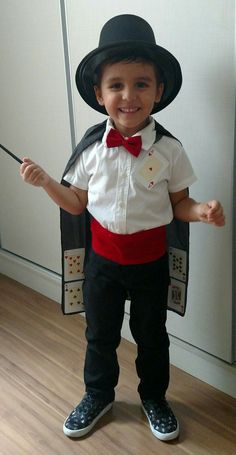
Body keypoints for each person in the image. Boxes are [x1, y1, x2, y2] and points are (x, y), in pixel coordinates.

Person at [20, 14, 225, 442]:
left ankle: (155, 398)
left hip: (151, 263)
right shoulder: (92, 150)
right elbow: (76, 203)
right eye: (116, 85)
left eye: (141, 84)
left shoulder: (170, 151)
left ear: (159, 90)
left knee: (152, 337)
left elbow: (179, 205)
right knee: (100, 336)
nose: (128, 96)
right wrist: (46, 185)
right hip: (103, 265)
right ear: (98, 93)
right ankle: (99, 395)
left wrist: (200, 210)